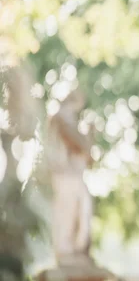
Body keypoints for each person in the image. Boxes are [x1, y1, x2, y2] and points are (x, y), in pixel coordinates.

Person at [46, 89, 94, 266]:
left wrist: (88, 141)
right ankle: (67, 253)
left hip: (73, 175)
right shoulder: (61, 118)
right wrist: (88, 138)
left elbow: (88, 156)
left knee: (82, 213)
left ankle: (76, 251)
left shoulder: (69, 119)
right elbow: (77, 144)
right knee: (68, 215)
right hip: (64, 175)